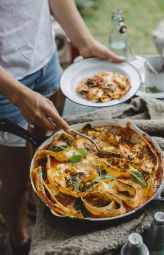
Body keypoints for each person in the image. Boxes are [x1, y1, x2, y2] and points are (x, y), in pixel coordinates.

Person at [0, 0, 124, 254]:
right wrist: (18, 95)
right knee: (15, 181)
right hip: (6, 84)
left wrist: (85, 41)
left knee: (45, 145)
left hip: (46, 60)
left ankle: (38, 197)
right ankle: (18, 237)